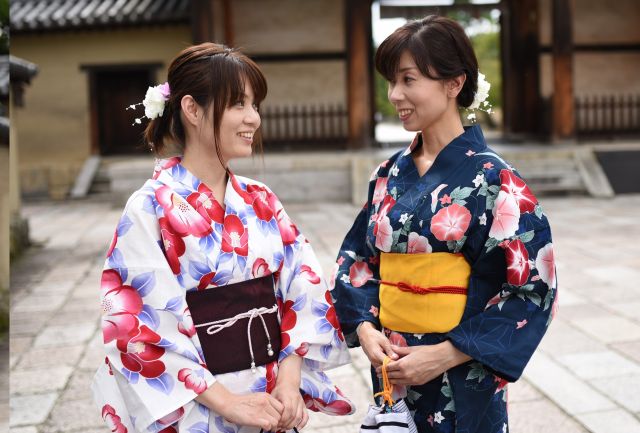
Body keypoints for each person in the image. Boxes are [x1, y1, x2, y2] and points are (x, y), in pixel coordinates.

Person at [92, 42, 354, 433]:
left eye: (255, 105)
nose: (254, 119)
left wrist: (288, 379)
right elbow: (137, 325)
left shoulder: (261, 200)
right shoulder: (148, 208)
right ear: (192, 109)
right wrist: (228, 403)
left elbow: (305, 288)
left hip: (271, 399)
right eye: (238, 105)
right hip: (200, 404)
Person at [331, 16, 557, 433]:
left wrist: (445, 354)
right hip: (393, 370)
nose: (394, 94)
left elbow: (533, 289)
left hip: (461, 373)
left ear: (454, 83)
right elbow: (357, 262)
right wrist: (364, 328)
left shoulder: (495, 180)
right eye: (391, 81)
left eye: (408, 79)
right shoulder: (387, 174)